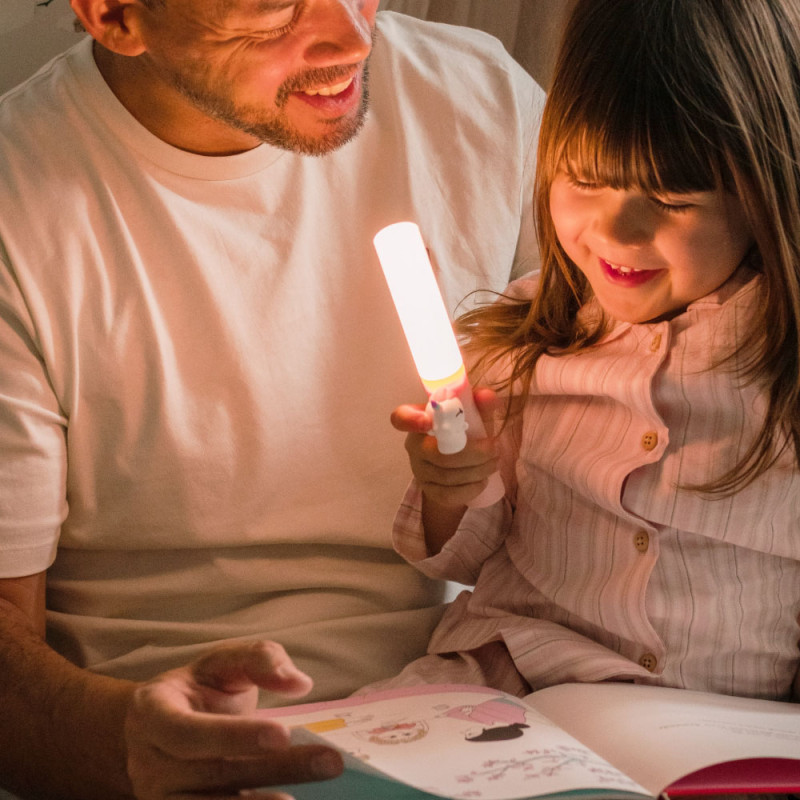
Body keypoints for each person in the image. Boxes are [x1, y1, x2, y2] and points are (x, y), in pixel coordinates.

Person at [0, 0, 545, 797]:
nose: (354, 36)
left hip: (486, 709)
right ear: (115, 16)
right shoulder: (22, 206)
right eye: (276, 6)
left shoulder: (484, 99)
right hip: (159, 733)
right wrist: (129, 743)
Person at [381, 0, 800, 704]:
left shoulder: (780, 361)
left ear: (759, 197)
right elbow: (462, 556)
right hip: (511, 678)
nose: (616, 232)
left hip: (723, 720)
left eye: (671, 199)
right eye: (584, 181)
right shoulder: (521, 342)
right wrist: (451, 489)